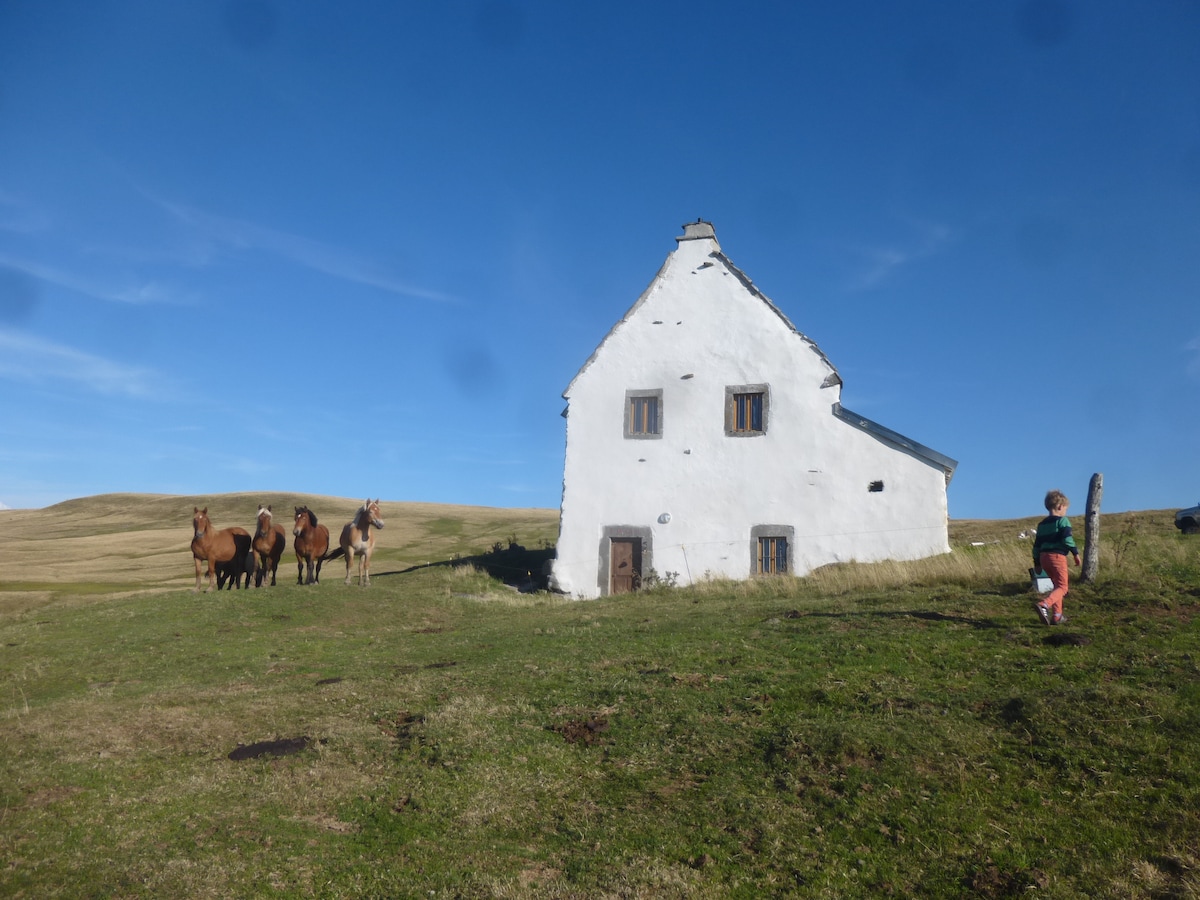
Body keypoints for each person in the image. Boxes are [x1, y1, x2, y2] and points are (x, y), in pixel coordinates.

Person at [1031, 489, 1080, 625]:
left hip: (1043, 557)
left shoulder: (1042, 525)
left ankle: (1057, 616)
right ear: (1060, 507)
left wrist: (1037, 563)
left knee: (1057, 587)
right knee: (1063, 587)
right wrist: (1075, 553)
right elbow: (1067, 539)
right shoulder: (1063, 521)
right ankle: (1044, 605)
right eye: (1066, 509)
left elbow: (1037, 545)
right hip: (1057, 557)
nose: (1066, 512)